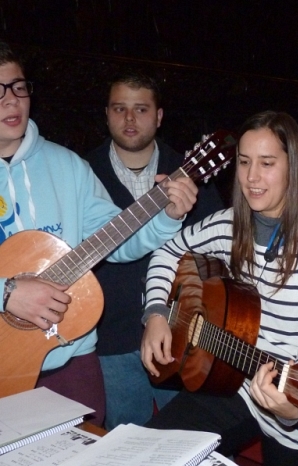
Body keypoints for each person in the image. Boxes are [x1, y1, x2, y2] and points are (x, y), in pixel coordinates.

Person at [140, 110, 298, 466]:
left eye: (267, 164)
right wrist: (156, 314)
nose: (252, 177)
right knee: (150, 452)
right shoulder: (229, 224)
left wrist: (295, 403)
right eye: (244, 162)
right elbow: (167, 252)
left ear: (294, 167)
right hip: (235, 383)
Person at [0, 42, 198, 425]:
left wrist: (167, 217)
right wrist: (7, 292)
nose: (12, 100)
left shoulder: (68, 167)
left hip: (73, 362)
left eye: (19, 87)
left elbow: (118, 239)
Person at [86, 72, 223, 430]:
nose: (130, 119)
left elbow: (214, 259)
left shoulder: (191, 174)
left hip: (179, 337)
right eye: (120, 108)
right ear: (106, 114)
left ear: (159, 116)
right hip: (110, 341)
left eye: (141, 109)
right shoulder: (83, 173)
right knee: (124, 443)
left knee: (189, 440)